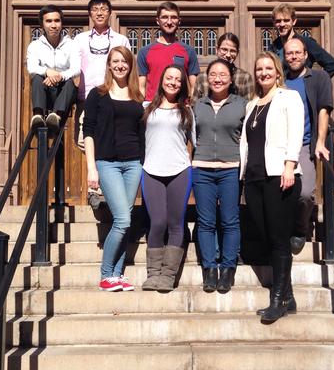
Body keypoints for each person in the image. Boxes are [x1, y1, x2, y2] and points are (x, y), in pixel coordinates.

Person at [240, 51, 304, 324]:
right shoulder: (252, 104)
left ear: (277, 72)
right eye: (259, 69)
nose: (263, 73)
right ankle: (288, 297)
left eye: (268, 68)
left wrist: (290, 164)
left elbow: (296, 131)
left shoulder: (289, 97)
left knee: (279, 239)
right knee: (267, 236)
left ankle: (277, 301)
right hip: (254, 177)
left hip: (280, 174)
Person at [83, 47, 145, 292]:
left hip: (133, 164)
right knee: (121, 219)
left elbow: (141, 133)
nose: (120, 65)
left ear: (130, 65)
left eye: (124, 61)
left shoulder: (137, 96)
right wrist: (91, 168)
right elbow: (88, 132)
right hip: (107, 162)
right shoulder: (97, 94)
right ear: (109, 65)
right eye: (115, 61)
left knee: (126, 220)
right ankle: (106, 274)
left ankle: (118, 275)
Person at [192, 58, 246, 293]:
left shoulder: (243, 104)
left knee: (229, 220)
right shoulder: (198, 105)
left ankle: (227, 268)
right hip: (202, 168)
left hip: (231, 169)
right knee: (205, 222)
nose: (217, 78)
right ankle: (209, 269)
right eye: (213, 74)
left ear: (231, 79)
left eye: (223, 74)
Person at [141, 64, 195, 292]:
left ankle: (168, 275)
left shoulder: (186, 111)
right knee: (158, 222)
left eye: (178, 79)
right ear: (162, 80)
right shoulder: (146, 108)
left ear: (182, 85)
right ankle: (153, 273)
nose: (173, 82)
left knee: (175, 223)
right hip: (152, 170)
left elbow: (196, 142)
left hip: (179, 170)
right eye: (169, 78)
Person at [73, 0, 129, 208]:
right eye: (95, 9)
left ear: (109, 13)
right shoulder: (80, 39)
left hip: (113, 97)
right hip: (88, 98)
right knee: (83, 140)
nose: (99, 13)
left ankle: (95, 189)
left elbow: (127, 66)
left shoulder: (120, 40)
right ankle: (100, 184)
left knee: (108, 141)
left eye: (103, 9)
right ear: (90, 14)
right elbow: (73, 66)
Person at [283, 37, 334, 252]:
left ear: (305, 55)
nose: (293, 56)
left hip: (305, 144)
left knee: (304, 194)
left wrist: (320, 142)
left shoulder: (319, 77)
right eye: (289, 53)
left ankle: (300, 228)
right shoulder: (280, 81)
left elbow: (324, 110)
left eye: (297, 53)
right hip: (281, 145)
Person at [26, 4, 80, 135]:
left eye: (57, 20)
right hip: (45, 90)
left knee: (71, 82)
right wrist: (47, 72)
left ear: (61, 23)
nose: (53, 25)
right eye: (49, 21)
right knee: (37, 78)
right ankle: (38, 115)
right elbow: (32, 67)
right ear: (42, 25)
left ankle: (56, 116)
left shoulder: (72, 44)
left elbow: (76, 69)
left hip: (64, 92)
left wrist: (59, 76)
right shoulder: (35, 45)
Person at [137, 2, 199, 101]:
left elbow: (194, 87)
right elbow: (141, 87)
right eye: (165, 17)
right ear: (158, 21)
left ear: (179, 21)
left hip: (180, 107)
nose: (169, 22)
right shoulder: (144, 52)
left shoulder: (189, 51)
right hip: (152, 106)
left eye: (173, 17)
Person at [270, 3, 334, 77]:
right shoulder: (273, 46)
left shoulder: (306, 42)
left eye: (286, 20)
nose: (282, 24)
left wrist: (316, 83)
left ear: (294, 21)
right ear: (274, 22)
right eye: (278, 21)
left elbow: (332, 65)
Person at [192, 32, 254, 101]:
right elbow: (194, 107)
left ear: (237, 53)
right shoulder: (202, 77)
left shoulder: (244, 77)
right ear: (217, 49)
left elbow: (250, 108)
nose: (228, 55)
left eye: (232, 51)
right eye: (224, 49)